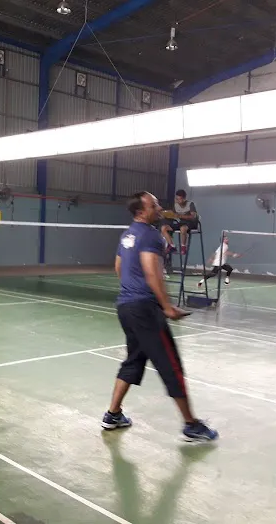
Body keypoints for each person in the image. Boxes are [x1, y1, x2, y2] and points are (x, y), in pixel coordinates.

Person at [101, 191, 219, 442]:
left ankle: (113, 414)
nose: (159, 208)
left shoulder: (128, 235)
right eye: (153, 205)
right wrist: (166, 306)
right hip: (145, 310)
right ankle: (191, 425)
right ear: (141, 211)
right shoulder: (151, 236)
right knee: (170, 365)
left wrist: (131, 291)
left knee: (134, 360)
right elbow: (152, 273)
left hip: (126, 306)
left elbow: (119, 267)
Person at [160, 189, 198, 256]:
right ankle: (172, 246)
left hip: (190, 223)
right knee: (164, 228)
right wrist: (166, 214)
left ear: (184, 199)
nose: (178, 201)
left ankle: (183, 247)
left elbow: (193, 216)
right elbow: (173, 214)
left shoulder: (190, 204)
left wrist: (181, 216)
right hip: (180, 223)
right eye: (177, 199)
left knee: (183, 228)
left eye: (179, 199)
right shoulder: (176, 205)